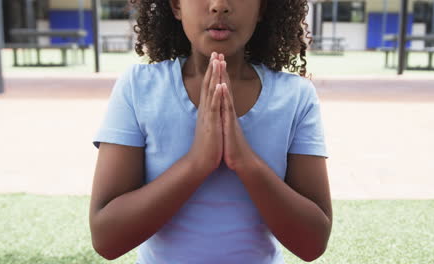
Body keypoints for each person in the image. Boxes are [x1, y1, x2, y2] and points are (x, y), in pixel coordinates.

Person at [89, 0, 332, 263]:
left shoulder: (295, 97)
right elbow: (106, 239)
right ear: (175, 6)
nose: (219, 5)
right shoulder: (139, 88)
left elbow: (312, 244)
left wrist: (245, 162)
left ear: (262, 8)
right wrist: (197, 163)